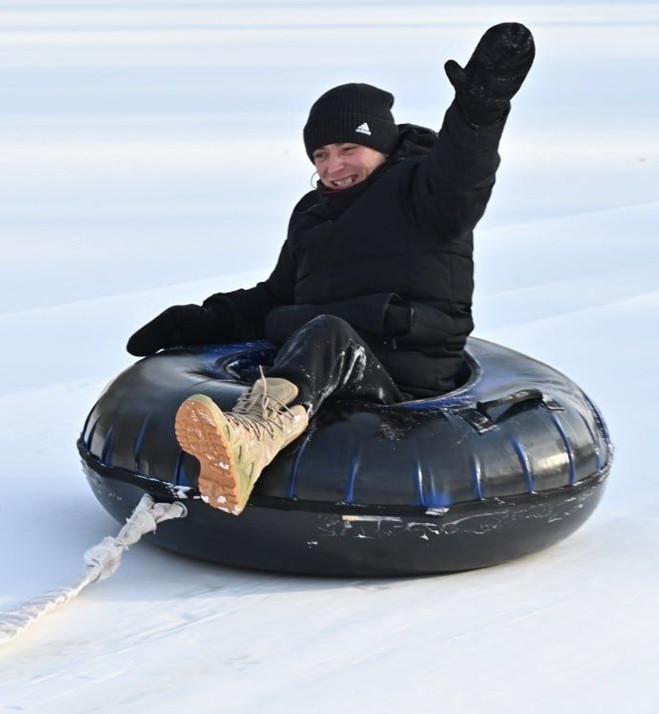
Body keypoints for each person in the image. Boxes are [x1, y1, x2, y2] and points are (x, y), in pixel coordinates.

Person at [126, 23, 536, 515]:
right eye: (321, 155)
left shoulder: (426, 194)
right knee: (317, 330)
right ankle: (233, 440)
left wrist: (480, 110)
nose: (333, 167)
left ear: (382, 147)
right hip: (328, 370)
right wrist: (198, 320)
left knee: (327, 333)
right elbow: (277, 297)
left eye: (348, 150)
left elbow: (466, 170)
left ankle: (253, 434)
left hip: (407, 381)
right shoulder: (312, 213)